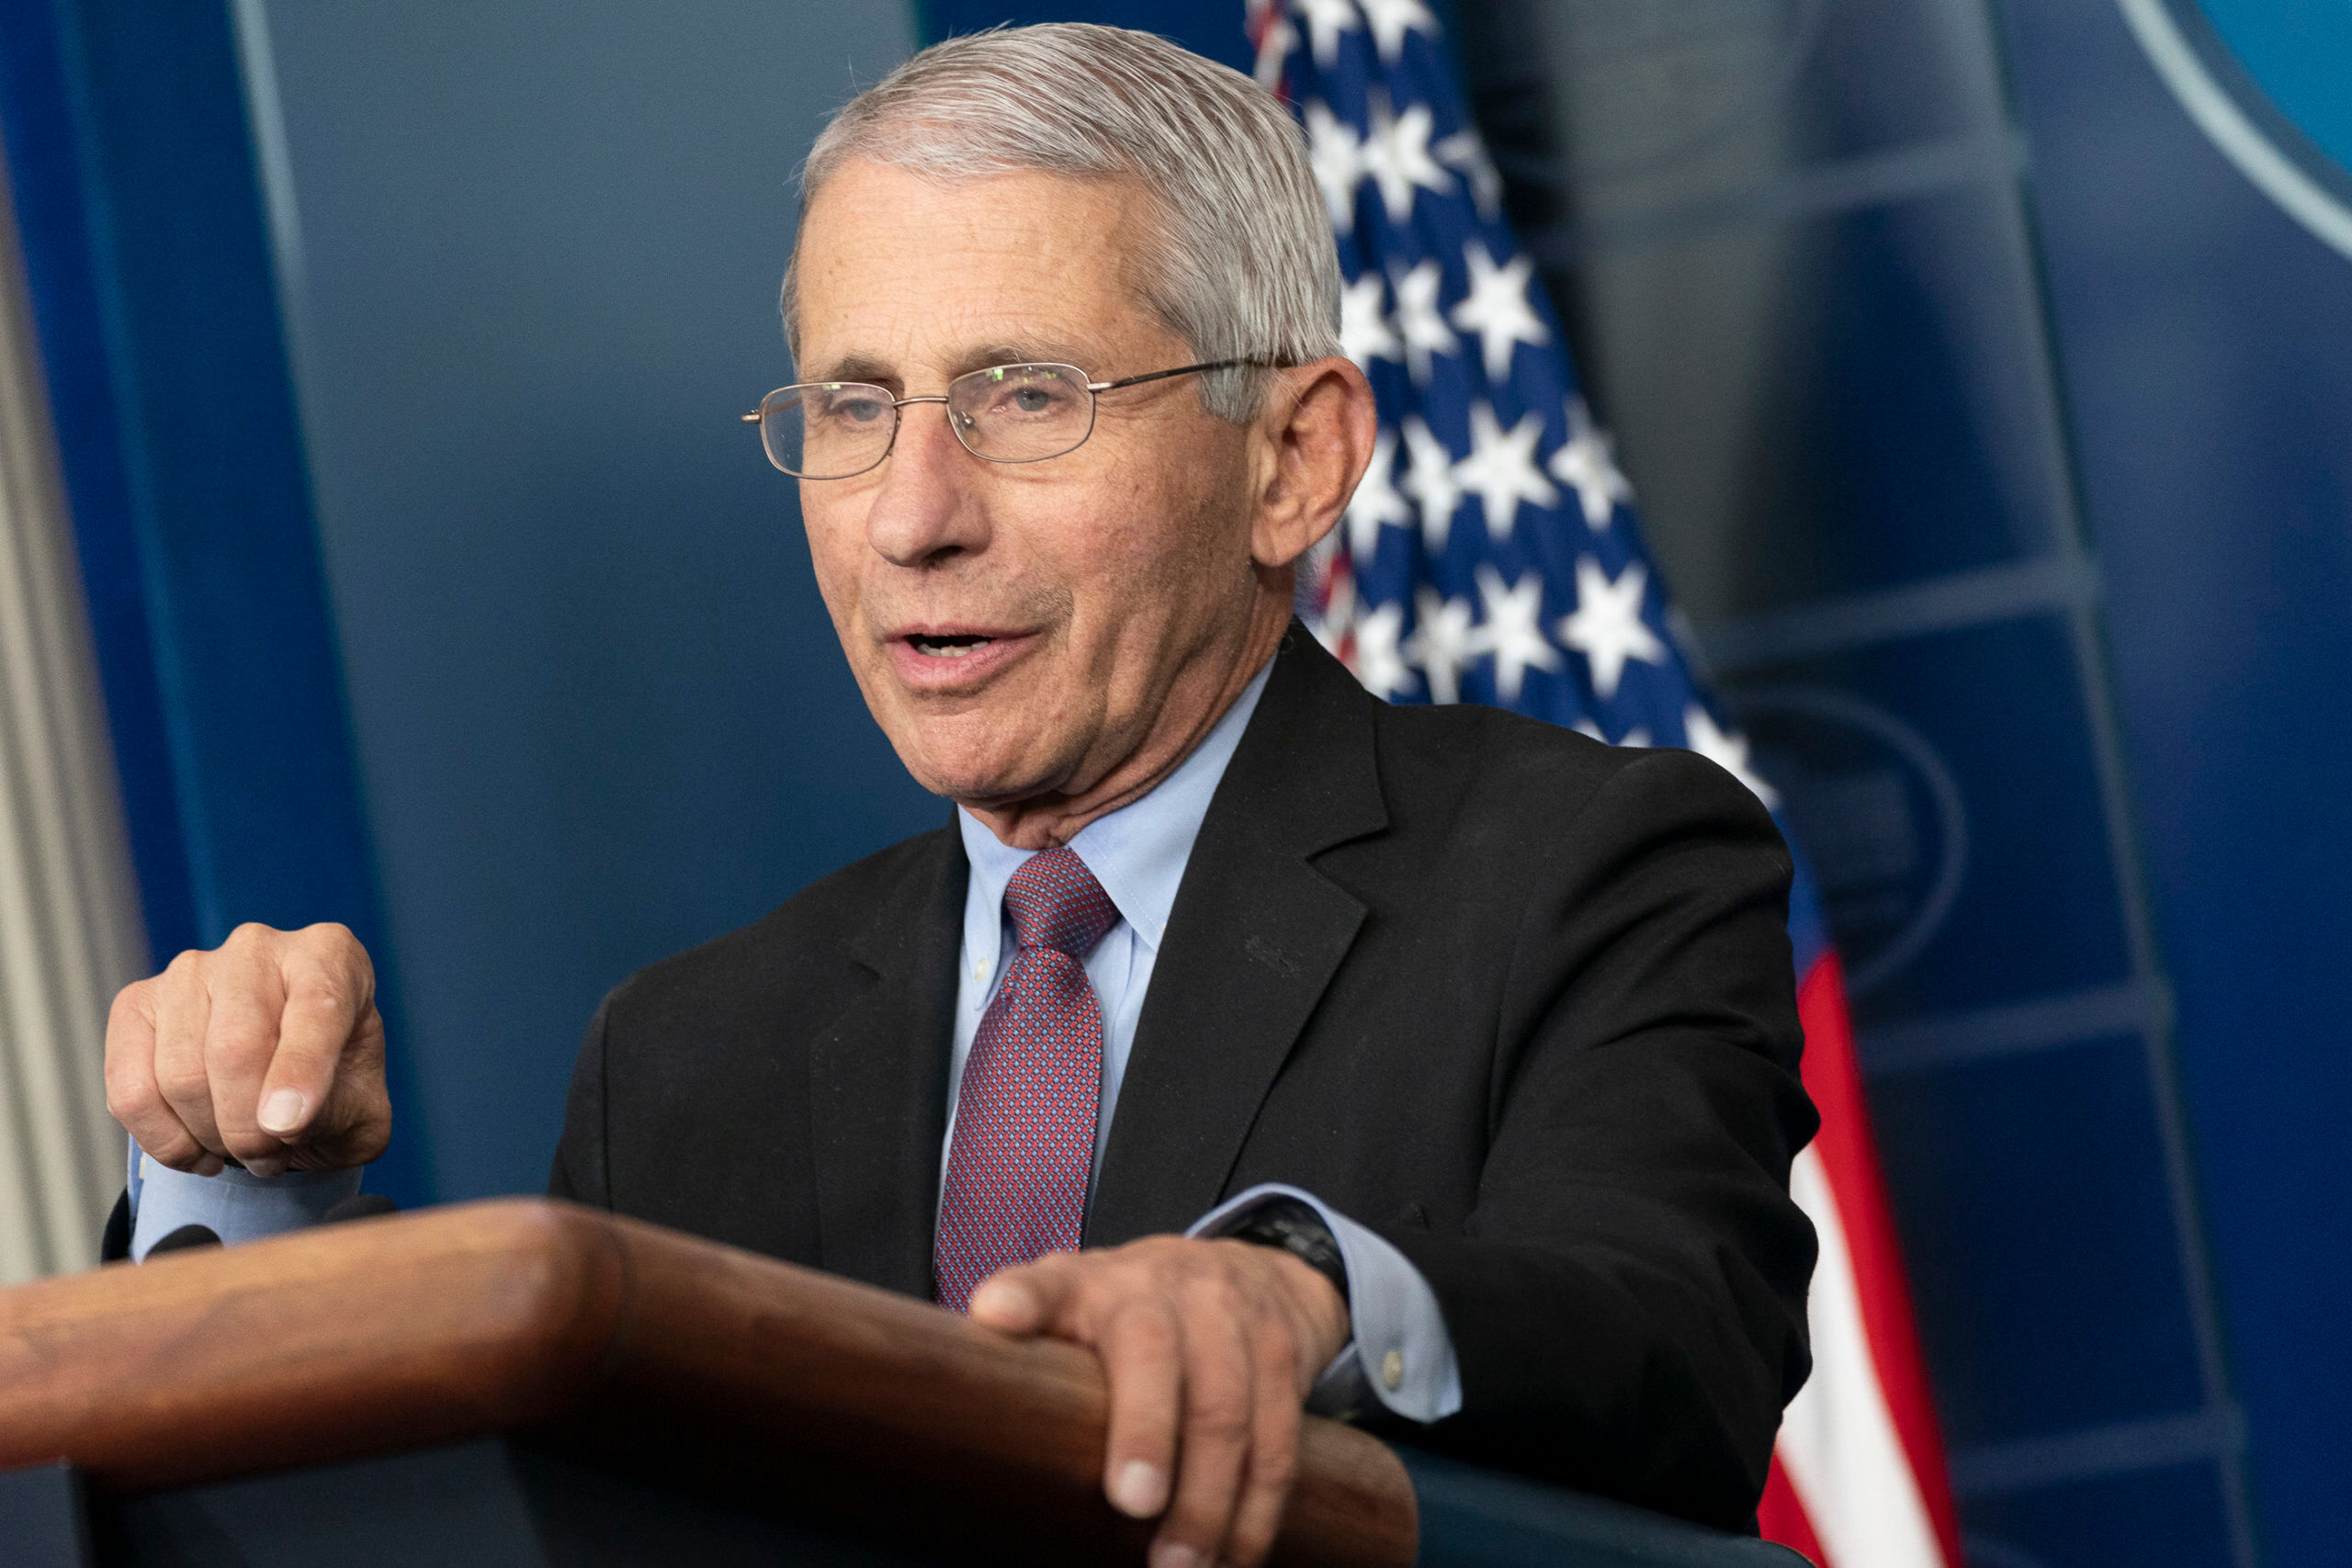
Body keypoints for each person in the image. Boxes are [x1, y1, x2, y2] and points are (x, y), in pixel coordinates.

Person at [99, 23, 1816, 1566]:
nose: (914, 513)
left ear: (1292, 459)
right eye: (855, 405)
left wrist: (1296, 1302)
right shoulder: (685, 1061)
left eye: (1023, 396)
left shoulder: (1593, 870)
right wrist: (250, 1213)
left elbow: (1671, 1334)